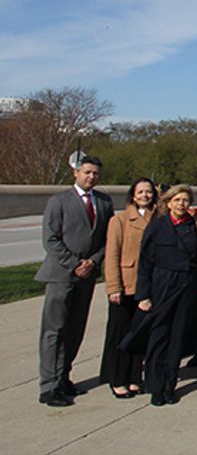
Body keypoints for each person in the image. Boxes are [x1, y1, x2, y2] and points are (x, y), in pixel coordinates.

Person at [36, 154, 113, 407]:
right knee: (54, 330)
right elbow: (51, 239)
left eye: (95, 173)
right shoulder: (59, 201)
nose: (91, 177)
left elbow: (106, 239)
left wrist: (93, 262)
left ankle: (64, 377)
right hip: (61, 275)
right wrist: (73, 264)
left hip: (87, 276)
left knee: (75, 329)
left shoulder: (103, 202)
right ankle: (49, 386)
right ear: (76, 173)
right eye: (87, 172)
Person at [131, 184, 197, 406]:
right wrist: (143, 295)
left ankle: (169, 385)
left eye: (185, 200)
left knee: (177, 337)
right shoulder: (158, 226)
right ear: (168, 203)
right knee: (159, 337)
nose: (181, 204)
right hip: (162, 285)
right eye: (177, 200)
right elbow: (145, 262)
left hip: (185, 286)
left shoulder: (194, 226)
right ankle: (155, 385)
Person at [99, 177, 156, 399]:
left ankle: (134, 377)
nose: (145, 196)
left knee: (139, 333)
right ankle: (117, 378)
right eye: (141, 192)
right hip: (126, 284)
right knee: (119, 333)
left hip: (147, 286)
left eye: (149, 192)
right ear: (133, 195)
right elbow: (111, 255)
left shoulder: (158, 218)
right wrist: (113, 287)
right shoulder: (119, 220)